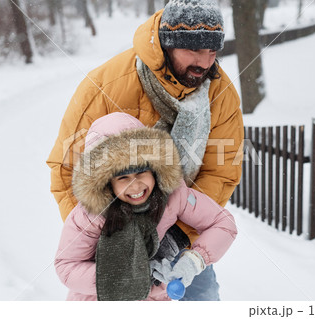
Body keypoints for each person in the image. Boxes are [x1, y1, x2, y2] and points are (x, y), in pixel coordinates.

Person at [47, 0, 244, 300]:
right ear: (167, 45)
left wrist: (177, 237)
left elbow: (222, 171)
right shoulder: (106, 85)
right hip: (115, 241)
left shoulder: (220, 92)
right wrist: (111, 239)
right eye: (194, 50)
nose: (205, 63)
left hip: (181, 231)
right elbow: (67, 169)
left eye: (212, 51)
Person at [54, 112, 237, 301]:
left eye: (141, 172)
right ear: (106, 182)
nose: (135, 186)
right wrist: (128, 276)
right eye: (123, 177)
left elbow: (222, 223)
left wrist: (194, 260)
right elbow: (66, 266)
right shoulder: (90, 215)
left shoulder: (173, 195)